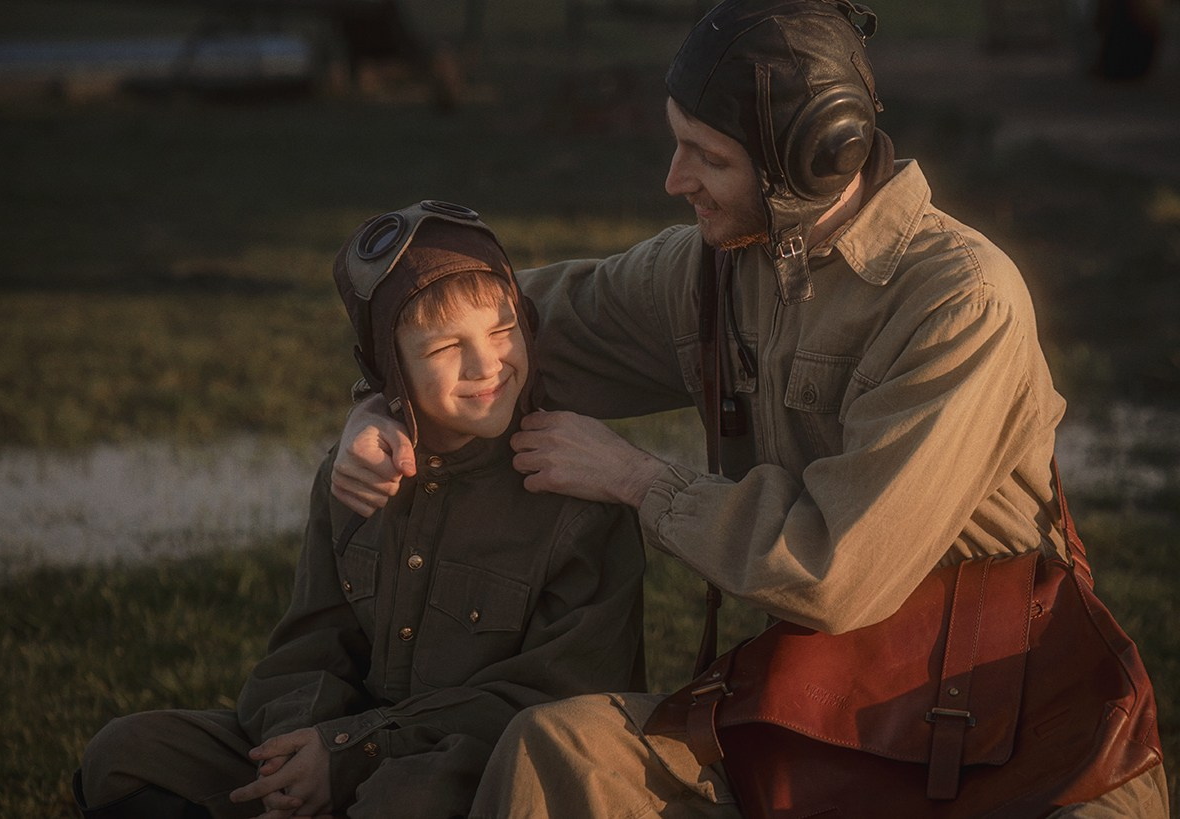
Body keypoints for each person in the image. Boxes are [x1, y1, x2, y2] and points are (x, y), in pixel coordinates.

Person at [330, 2, 1170, 816]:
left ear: (809, 158)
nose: (674, 179)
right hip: (816, 709)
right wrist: (385, 400)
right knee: (558, 751)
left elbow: (833, 568)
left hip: (1013, 731)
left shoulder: (960, 302)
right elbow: (518, 330)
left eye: (706, 155)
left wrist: (636, 479)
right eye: (676, 142)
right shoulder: (719, 265)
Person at [73, 201, 646, 819]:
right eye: (447, 347)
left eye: (503, 330)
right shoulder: (356, 473)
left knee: (403, 799)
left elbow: (554, 703)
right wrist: (298, 751)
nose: (487, 366)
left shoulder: (576, 494)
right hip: (344, 747)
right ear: (386, 368)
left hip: (476, 764)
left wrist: (355, 748)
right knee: (126, 755)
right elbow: (310, 642)